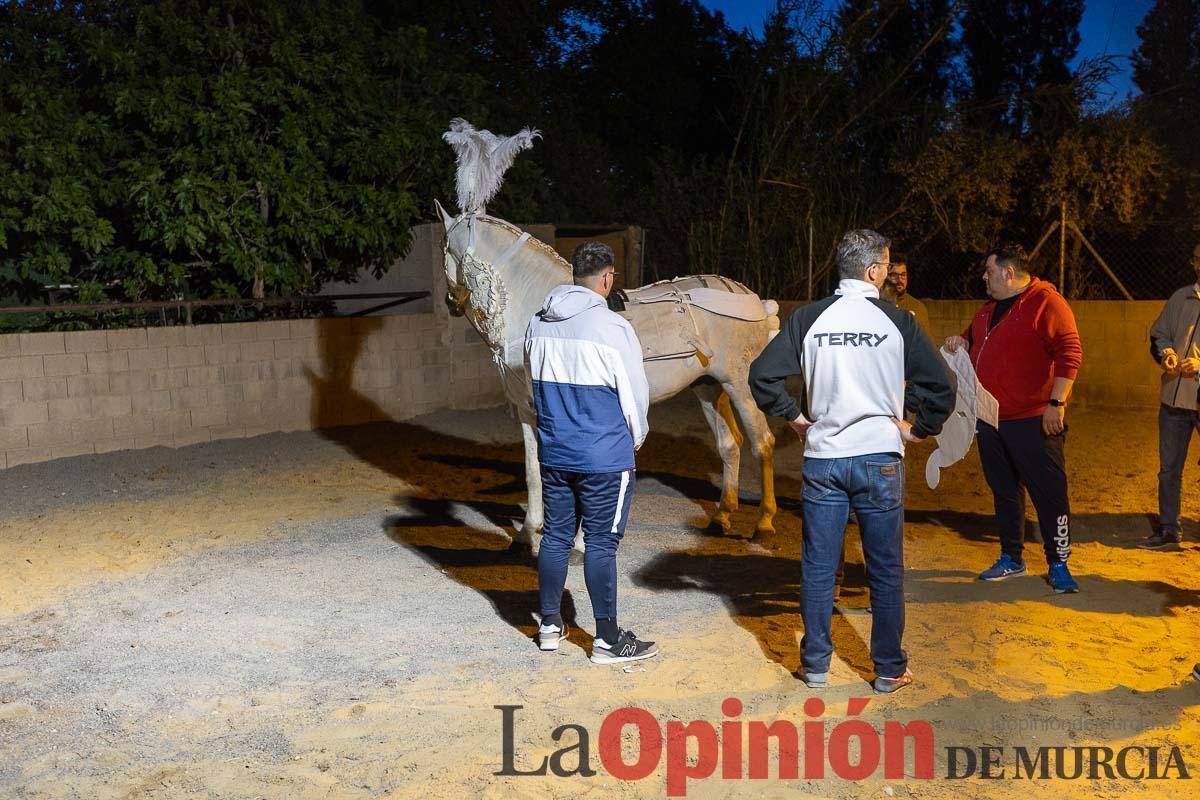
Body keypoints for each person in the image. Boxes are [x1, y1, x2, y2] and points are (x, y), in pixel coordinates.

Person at [749, 229, 954, 694]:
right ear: (874, 271)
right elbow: (942, 388)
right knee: (885, 570)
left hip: (824, 460)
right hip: (880, 458)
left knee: (819, 567)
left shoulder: (807, 318)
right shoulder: (898, 322)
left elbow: (762, 375)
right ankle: (889, 669)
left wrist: (795, 417)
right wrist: (918, 428)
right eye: (886, 265)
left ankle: (815, 667)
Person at [523, 241, 657, 664]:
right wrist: (635, 438)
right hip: (603, 457)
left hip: (555, 452)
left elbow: (531, 386)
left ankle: (549, 624)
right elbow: (634, 393)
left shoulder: (537, 323)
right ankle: (608, 640)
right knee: (601, 542)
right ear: (607, 278)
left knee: (556, 536)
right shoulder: (612, 327)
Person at [944, 244, 1083, 593]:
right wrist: (959, 342)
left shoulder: (1046, 303)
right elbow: (972, 342)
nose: (984, 277)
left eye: (989, 271)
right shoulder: (987, 310)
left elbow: (1070, 353)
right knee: (1004, 490)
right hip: (991, 420)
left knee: (1049, 493)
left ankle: (1059, 562)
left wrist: (1057, 403)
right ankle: (1011, 557)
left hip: (1033, 419)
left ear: (1008, 273)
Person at [1142, 243, 1200, 549]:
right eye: (1199, 258)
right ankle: (1168, 529)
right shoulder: (1181, 298)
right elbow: (1159, 333)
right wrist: (1166, 353)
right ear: (1194, 262)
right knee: (1169, 470)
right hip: (1173, 402)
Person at [887, 259, 932, 336]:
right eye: (894, 275)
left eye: (903, 275)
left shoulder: (917, 307)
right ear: (886, 276)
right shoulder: (879, 303)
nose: (900, 279)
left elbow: (926, 339)